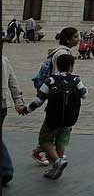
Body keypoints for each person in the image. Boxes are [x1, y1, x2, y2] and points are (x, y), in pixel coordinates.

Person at [24, 53, 87, 180]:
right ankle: (56, 166)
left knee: (45, 140)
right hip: (69, 119)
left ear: (57, 66)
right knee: (61, 141)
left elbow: (38, 100)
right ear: (71, 66)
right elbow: (84, 94)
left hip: (52, 118)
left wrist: (27, 110)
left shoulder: (50, 80)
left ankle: (58, 162)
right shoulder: (76, 80)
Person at [30, 27, 79, 166]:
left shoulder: (62, 51)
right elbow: (59, 77)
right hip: (58, 96)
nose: (78, 39)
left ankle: (50, 153)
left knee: (55, 125)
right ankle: (46, 152)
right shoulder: (62, 54)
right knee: (54, 124)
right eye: (75, 37)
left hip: (56, 95)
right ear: (67, 39)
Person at [2, 54, 26, 185]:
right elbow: (13, 81)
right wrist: (18, 101)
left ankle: (6, 171)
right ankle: (5, 171)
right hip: (3, 104)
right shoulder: (4, 59)